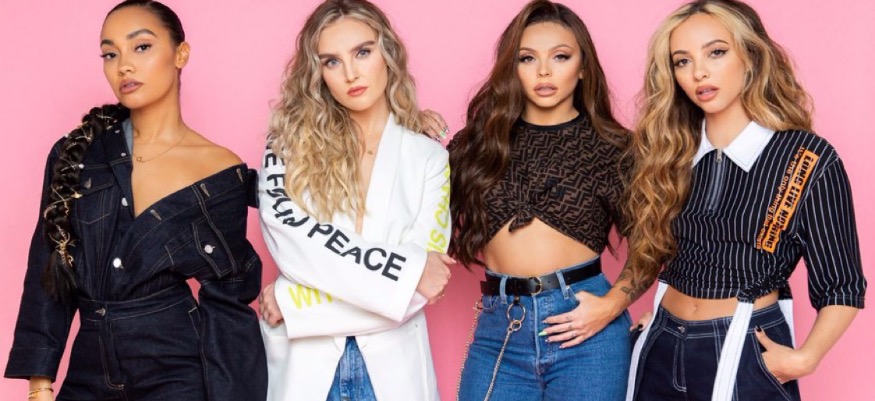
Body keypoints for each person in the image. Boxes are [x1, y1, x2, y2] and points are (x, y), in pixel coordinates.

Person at [4, 1, 267, 401]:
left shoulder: (220, 171)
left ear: (181, 54)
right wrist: (39, 385)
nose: (124, 66)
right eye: (110, 54)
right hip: (88, 368)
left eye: (141, 47)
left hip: (178, 371)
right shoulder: (78, 155)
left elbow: (228, 303)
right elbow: (49, 267)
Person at [624, 1, 866, 400]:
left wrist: (806, 359)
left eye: (716, 52)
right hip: (661, 343)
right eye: (682, 61)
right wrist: (660, 322)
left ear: (750, 56)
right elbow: (660, 254)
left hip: (746, 349)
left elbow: (842, 284)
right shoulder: (668, 153)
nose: (699, 72)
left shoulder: (806, 159)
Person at [255, 0, 453, 400]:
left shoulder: (428, 157)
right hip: (306, 370)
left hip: (395, 372)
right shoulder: (285, 148)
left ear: (388, 53)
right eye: (332, 61)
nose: (350, 73)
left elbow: (420, 289)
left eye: (363, 52)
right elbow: (296, 248)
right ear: (317, 73)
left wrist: (293, 303)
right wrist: (402, 277)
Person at [448, 1, 638, 400]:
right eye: (527, 58)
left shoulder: (614, 148)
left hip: (585, 328)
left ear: (583, 67)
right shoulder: (475, 147)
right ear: (512, 68)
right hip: (499, 328)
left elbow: (653, 245)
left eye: (560, 57)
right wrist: (409, 126)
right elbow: (411, 208)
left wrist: (611, 305)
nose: (544, 71)